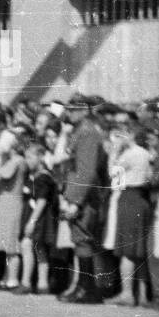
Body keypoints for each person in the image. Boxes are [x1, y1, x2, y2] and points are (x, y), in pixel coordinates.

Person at [59, 94, 109, 304]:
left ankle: (87, 289)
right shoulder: (80, 131)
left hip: (85, 196)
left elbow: (86, 172)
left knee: (83, 239)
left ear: (84, 110)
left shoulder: (87, 133)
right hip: (78, 192)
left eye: (72, 109)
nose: (68, 113)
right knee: (80, 240)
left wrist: (75, 201)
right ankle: (82, 286)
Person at [107, 124, 154, 305]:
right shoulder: (146, 154)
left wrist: (114, 152)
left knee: (127, 250)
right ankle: (142, 295)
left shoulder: (129, 154)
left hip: (128, 198)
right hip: (142, 199)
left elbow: (115, 178)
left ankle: (127, 294)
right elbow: (149, 177)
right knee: (139, 249)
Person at [17, 141, 58, 294]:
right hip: (34, 216)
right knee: (36, 248)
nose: (28, 161)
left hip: (39, 218)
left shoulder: (43, 177)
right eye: (26, 158)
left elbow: (41, 201)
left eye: (30, 157)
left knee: (32, 247)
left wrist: (31, 222)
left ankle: (30, 283)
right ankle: (40, 284)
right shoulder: (33, 176)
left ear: (40, 157)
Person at [0, 128, 26, 288]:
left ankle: (13, 278)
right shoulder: (10, 160)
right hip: (5, 202)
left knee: (11, 244)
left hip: (12, 203)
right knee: (5, 244)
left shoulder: (17, 160)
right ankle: (7, 277)